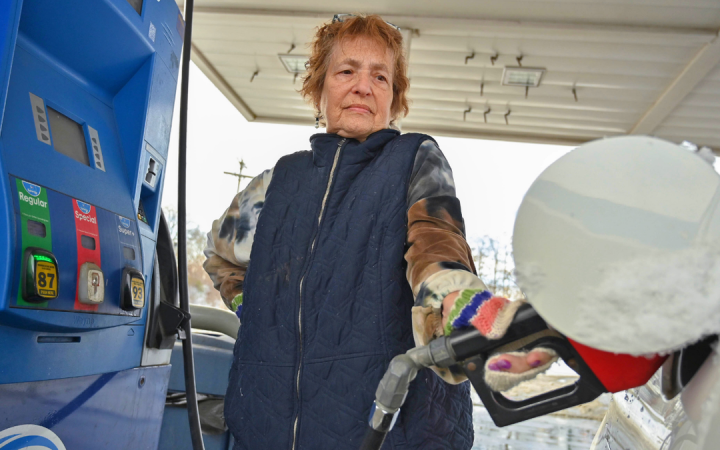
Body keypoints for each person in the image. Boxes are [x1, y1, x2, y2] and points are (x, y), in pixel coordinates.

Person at [204, 14, 553, 449]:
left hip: (390, 430)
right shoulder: (277, 182)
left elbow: (436, 242)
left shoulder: (414, 160)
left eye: (380, 76)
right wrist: (259, 313)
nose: (363, 87)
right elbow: (220, 257)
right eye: (346, 71)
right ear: (319, 88)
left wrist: (461, 307)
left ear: (394, 99)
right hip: (266, 427)